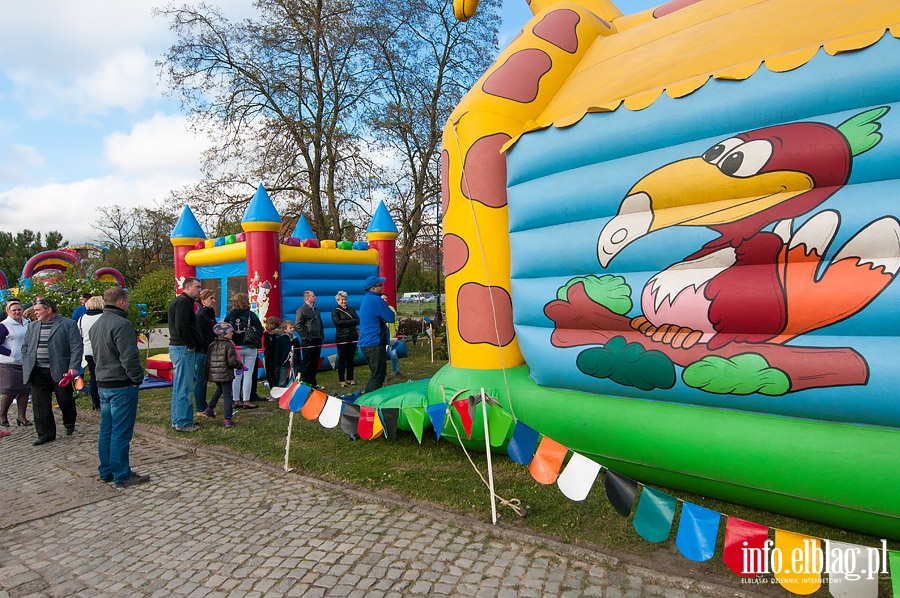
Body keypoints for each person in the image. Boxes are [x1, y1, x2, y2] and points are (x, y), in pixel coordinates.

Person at [90, 287, 148, 489]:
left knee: (107, 429)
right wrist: (137, 378)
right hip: (120, 383)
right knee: (120, 432)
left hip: (103, 382)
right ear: (122, 302)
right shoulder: (122, 325)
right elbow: (129, 357)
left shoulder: (97, 324)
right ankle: (121, 473)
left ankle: (106, 470)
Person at [22, 297, 83, 445]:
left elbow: (76, 347)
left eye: (37, 310)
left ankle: (69, 423)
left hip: (60, 371)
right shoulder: (32, 326)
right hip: (37, 370)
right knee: (39, 403)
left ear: (48, 310)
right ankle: (45, 434)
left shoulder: (68, 324)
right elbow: (25, 346)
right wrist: (27, 359)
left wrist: (73, 367)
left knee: (65, 400)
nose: (35, 313)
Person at [167, 277, 203, 432]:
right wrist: (190, 344)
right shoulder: (183, 302)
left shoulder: (184, 302)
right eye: (197, 287)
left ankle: (178, 419)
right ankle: (182, 422)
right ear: (187, 287)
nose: (199, 290)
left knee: (179, 386)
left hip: (180, 347)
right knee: (184, 387)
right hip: (182, 348)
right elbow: (181, 326)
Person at [224, 293, 262, 409]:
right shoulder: (251, 315)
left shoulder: (229, 316)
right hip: (249, 347)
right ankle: (246, 400)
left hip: (235, 348)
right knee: (248, 374)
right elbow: (260, 329)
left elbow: (224, 330)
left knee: (237, 374)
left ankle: (236, 399)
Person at [357, 277, 395, 393]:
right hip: (375, 343)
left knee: (376, 374)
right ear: (373, 288)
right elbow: (391, 317)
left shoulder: (366, 299)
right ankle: (367, 403)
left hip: (366, 343)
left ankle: (371, 400)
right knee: (378, 376)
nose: (383, 287)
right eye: (380, 285)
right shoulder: (377, 300)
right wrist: (385, 304)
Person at [203, 321, 243, 428]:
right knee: (227, 396)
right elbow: (232, 361)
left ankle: (210, 408)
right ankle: (227, 418)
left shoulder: (212, 345)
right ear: (225, 333)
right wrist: (240, 365)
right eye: (230, 332)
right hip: (225, 373)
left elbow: (208, 360)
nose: (232, 333)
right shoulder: (229, 345)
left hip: (215, 373)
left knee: (220, 389)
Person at [0, 300, 32, 428]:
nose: (17, 312)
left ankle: (22, 416)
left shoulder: (27, 323)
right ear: (8, 312)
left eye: (19, 309)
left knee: (25, 389)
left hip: (25, 361)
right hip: (9, 363)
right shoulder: (4, 326)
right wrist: (10, 352)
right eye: (14, 310)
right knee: (10, 389)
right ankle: (3, 415)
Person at [78, 296, 105, 409]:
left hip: (88, 350)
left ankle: (95, 401)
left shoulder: (82, 318)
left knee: (94, 375)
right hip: (102, 350)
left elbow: (80, 334)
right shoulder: (103, 317)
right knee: (103, 376)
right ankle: (103, 399)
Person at [194, 289, 217, 417]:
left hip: (209, 349)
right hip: (202, 350)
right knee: (201, 380)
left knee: (204, 379)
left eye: (214, 298)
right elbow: (199, 334)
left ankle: (203, 404)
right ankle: (200, 407)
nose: (213, 301)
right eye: (210, 299)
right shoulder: (201, 315)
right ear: (203, 301)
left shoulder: (209, 313)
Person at [295, 290, 324, 390]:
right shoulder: (301, 310)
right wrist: (306, 336)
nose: (315, 297)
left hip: (318, 338)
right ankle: (306, 383)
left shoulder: (316, 310)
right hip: (309, 340)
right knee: (307, 362)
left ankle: (313, 383)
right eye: (313, 296)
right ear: (307, 298)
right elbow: (298, 325)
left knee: (315, 362)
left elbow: (319, 323)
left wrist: (321, 334)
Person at [331, 291, 359, 388]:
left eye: (345, 299)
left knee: (351, 358)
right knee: (342, 359)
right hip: (342, 337)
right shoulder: (335, 311)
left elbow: (358, 320)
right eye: (342, 300)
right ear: (337, 300)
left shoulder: (351, 309)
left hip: (352, 336)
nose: (344, 301)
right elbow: (338, 322)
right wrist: (351, 322)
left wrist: (347, 322)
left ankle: (350, 378)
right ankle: (342, 380)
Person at [381, 293, 401, 378]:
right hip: (383, 338)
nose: (384, 300)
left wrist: (396, 329)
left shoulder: (391, 309)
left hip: (391, 337)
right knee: (383, 357)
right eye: (382, 299)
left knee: (394, 355)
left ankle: (396, 371)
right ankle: (384, 373)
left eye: (386, 299)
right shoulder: (379, 310)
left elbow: (396, 320)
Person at [263, 316, 282, 389]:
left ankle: (274, 388)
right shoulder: (281, 334)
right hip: (277, 357)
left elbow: (268, 345)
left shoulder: (271, 336)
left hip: (271, 357)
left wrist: (266, 336)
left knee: (271, 373)